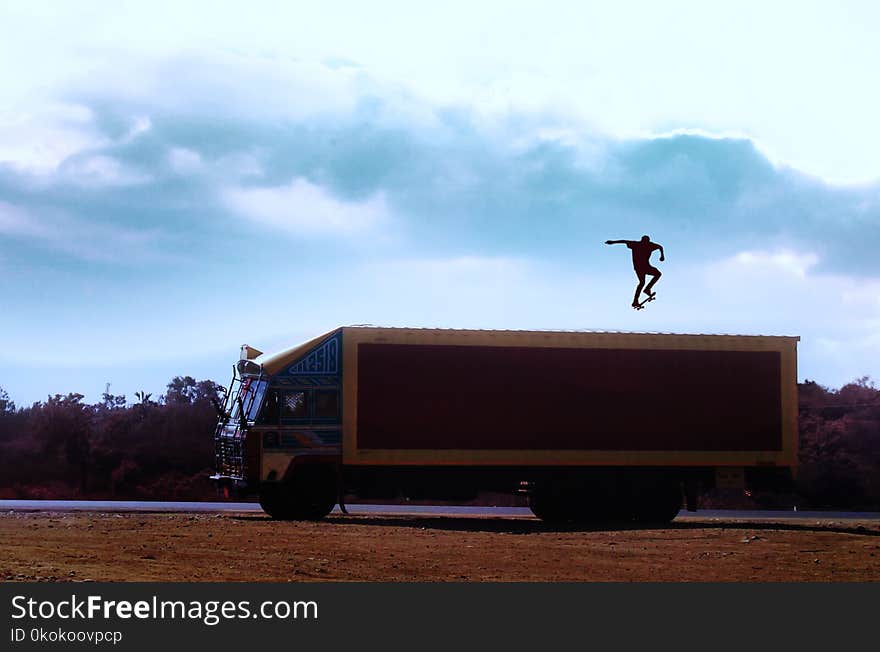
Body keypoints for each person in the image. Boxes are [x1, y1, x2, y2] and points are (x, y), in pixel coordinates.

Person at [605, 235, 665, 307]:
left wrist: (662, 255)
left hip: (641, 267)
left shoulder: (642, 244)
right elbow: (660, 247)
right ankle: (645, 291)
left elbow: (624, 241)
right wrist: (662, 256)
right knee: (653, 276)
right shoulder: (641, 244)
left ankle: (636, 300)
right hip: (642, 267)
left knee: (643, 282)